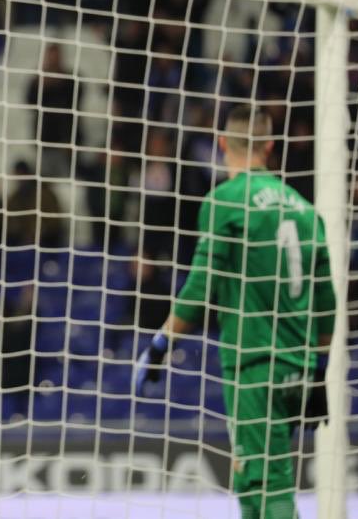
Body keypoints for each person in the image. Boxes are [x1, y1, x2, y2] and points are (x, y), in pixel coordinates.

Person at [134, 105, 335, 519]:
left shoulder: (225, 201)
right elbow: (327, 304)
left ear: (222, 144)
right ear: (271, 147)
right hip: (299, 366)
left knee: (265, 485)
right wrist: (319, 370)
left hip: (254, 365)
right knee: (256, 481)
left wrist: (159, 344)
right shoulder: (305, 208)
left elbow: (199, 287)